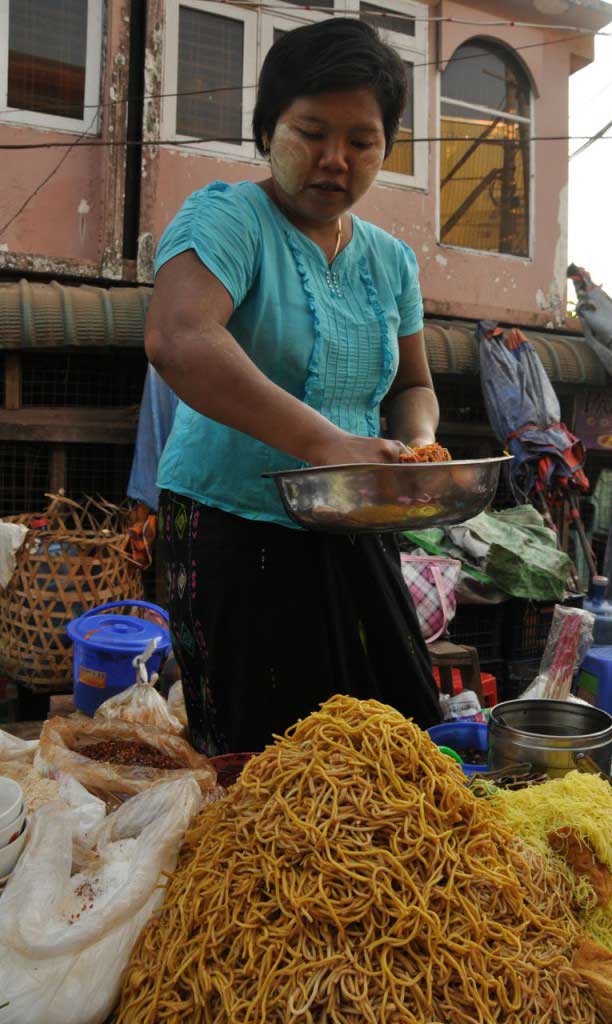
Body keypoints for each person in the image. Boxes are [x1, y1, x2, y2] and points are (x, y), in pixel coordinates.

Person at [147, 17, 443, 755]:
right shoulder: (229, 218)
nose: (335, 159)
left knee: (391, 736)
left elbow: (413, 385)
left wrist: (419, 445)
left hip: (354, 525)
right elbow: (180, 338)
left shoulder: (391, 261)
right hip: (232, 524)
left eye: (362, 141)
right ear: (267, 128)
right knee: (260, 753)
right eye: (311, 132)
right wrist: (330, 445)